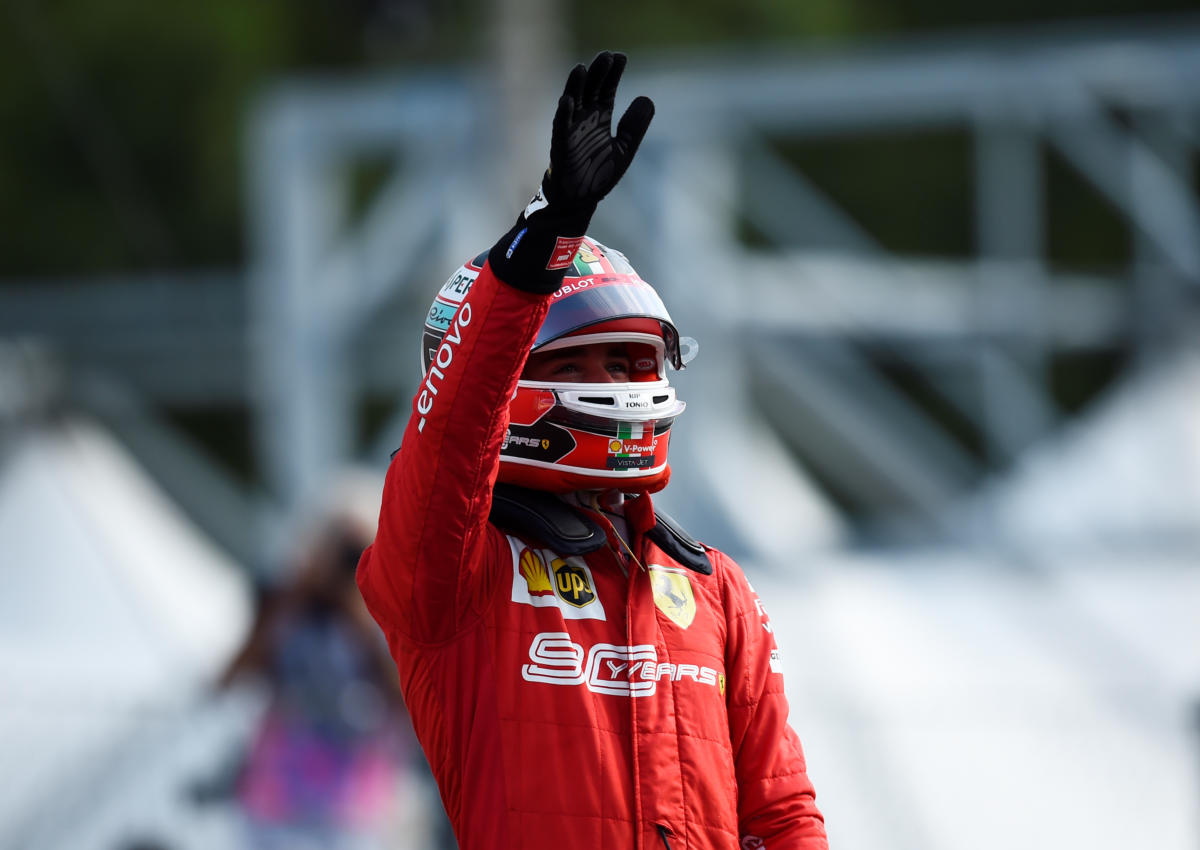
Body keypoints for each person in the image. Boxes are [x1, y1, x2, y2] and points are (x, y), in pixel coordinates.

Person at [356, 51, 828, 849]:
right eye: (574, 363)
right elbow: (455, 434)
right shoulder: (451, 572)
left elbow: (784, 816)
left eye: (627, 361)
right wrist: (549, 230)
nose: (613, 385)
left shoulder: (715, 588)